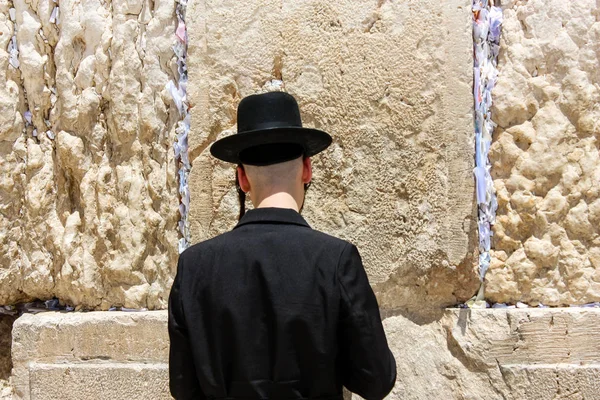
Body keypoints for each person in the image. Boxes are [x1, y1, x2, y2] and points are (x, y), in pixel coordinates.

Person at [168, 91, 396, 400]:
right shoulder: (336, 260)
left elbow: (183, 388)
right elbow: (376, 381)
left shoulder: (194, 267)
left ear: (242, 179)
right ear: (306, 169)